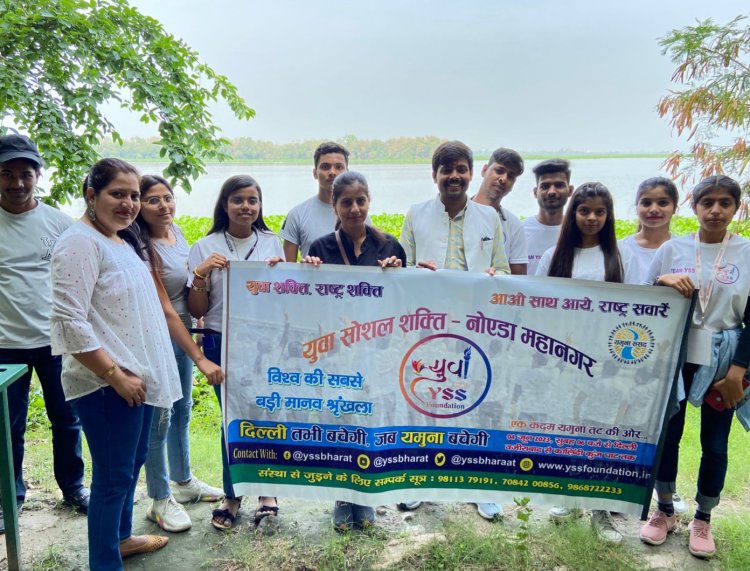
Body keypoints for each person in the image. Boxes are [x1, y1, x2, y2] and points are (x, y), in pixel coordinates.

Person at [50, 158, 180, 569]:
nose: (129, 203)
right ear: (92, 195)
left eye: (134, 195)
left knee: (130, 466)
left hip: (135, 379)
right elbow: (69, 321)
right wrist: (114, 375)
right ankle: (105, 562)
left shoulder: (119, 239)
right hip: (106, 385)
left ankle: (121, 539)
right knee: (111, 479)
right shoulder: (79, 243)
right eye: (117, 194)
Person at [639, 175, 750, 559]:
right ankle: (664, 509)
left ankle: (703, 517)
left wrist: (738, 371)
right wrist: (662, 279)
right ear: (694, 206)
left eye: (725, 203)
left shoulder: (746, 252)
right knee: (668, 435)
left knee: (715, 444)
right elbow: (643, 300)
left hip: (725, 360)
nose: (715, 210)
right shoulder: (673, 249)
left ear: (736, 207)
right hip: (677, 353)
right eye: (707, 203)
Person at [399, 140, 509, 520]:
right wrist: (417, 272)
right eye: (446, 170)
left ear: (471, 173)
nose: (454, 176)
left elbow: (503, 270)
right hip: (427, 326)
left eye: (461, 169)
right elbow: (401, 271)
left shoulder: (490, 218)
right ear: (435, 175)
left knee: (475, 403)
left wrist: (494, 276)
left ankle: (479, 486)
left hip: (475, 326)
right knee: (425, 402)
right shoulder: (416, 214)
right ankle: (418, 480)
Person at [536, 182, 638, 544]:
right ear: (572, 213)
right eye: (584, 210)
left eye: (599, 211)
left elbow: (639, 309)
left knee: (602, 434)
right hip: (565, 360)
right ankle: (568, 498)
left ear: (608, 215)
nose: (592, 217)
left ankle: (600, 510)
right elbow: (539, 307)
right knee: (568, 431)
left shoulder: (621, 257)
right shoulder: (553, 257)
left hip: (609, 364)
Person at [304, 171, 405, 531]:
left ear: (369, 201)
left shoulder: (390, 246)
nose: (354, 209)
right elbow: (309, 302)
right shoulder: (320, 248)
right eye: (346, 202)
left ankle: (365, 496)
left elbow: (403, 300)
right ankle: (342, 496)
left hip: (375, 352)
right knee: (340, 425)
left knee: (369, 423)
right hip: (337, 353)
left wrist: (398, 273)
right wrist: (309, 273)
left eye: (360, 200)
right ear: (334, 205)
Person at [0, 133, 89, 535]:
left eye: (25, 174)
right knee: (7, 428)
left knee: (67, 419)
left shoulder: (59, 223)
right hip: (4, 346)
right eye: (7, 174)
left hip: (56, 340)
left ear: (38, 175)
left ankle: (73, 487)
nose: (17, 183)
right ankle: (9, 497)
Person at [187, 175, 284, 530]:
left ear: (260, 206)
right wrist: (201, 273)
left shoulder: (273, 243)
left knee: (265, 416)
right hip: (221, 340)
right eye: (238, 200)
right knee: (232, 419)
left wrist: (280, 275)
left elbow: (289, 295)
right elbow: (197, 307)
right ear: (225, 204)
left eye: (252, 200)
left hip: (264, 342)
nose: (246, 206)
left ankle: (267, 492)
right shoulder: (205, 246)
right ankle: (232, 495)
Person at [135, 175, 225, 532]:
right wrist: (199, 355)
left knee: (182, 409)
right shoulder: (141, 246)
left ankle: (184, 481)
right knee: (159, 418)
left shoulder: (177, 233)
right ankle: (159, 499)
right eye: (153, 200)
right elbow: (165, 308)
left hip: (184, 333)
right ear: (139, 206)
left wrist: (198, 324)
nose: (164, 206)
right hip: (158, 337)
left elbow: (189, 288)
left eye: (168, 197)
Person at [279, 142, 349, 261]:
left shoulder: (358, 215)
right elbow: (287, 267)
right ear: (315, 173)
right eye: (325, 167)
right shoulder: (297, 214)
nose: (332, 172)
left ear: (347, 172)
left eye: (339, 167)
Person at [472, 147, 528, 274]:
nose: (503, 179)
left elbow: (519, 279)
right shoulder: (458, 213)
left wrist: (497, 277)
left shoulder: (514, 226)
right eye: (499, 171)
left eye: (511, 176)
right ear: (484, 170)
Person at [523, 159, 574, 275]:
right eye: (545, 186)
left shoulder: (577, 232)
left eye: (559, 185)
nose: (551, 192)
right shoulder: (520, 231)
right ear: (535, 192)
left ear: (570, 191)